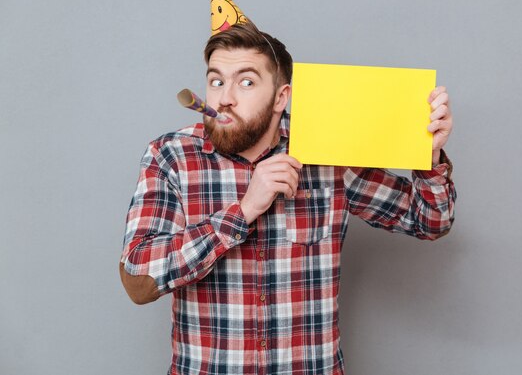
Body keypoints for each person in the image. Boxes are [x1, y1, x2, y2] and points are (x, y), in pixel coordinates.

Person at [119, 21, 456, 375]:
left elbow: (430, 221)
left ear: (281, 97)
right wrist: (243, 211)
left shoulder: (325, 152)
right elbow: (138, 280)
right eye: (216, 80)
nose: (224, 97)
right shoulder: (170, 156)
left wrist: (429, 158)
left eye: (246, 82)